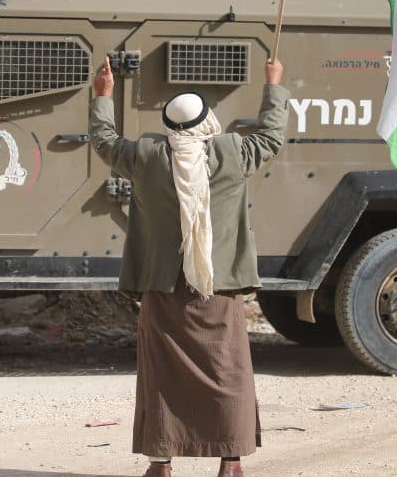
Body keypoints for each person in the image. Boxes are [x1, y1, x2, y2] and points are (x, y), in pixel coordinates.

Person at [90, 54, 289, 477]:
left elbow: (104, 141)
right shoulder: (233, 152)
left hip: (164, 286)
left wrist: (103, 95)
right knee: (227, 369)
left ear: (170, 125)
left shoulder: (146, 155)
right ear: (207, 121)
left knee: (161, 373)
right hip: (218, 286)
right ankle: (230, 463)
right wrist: (273, 84)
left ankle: (161, 464)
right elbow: (271, 137)